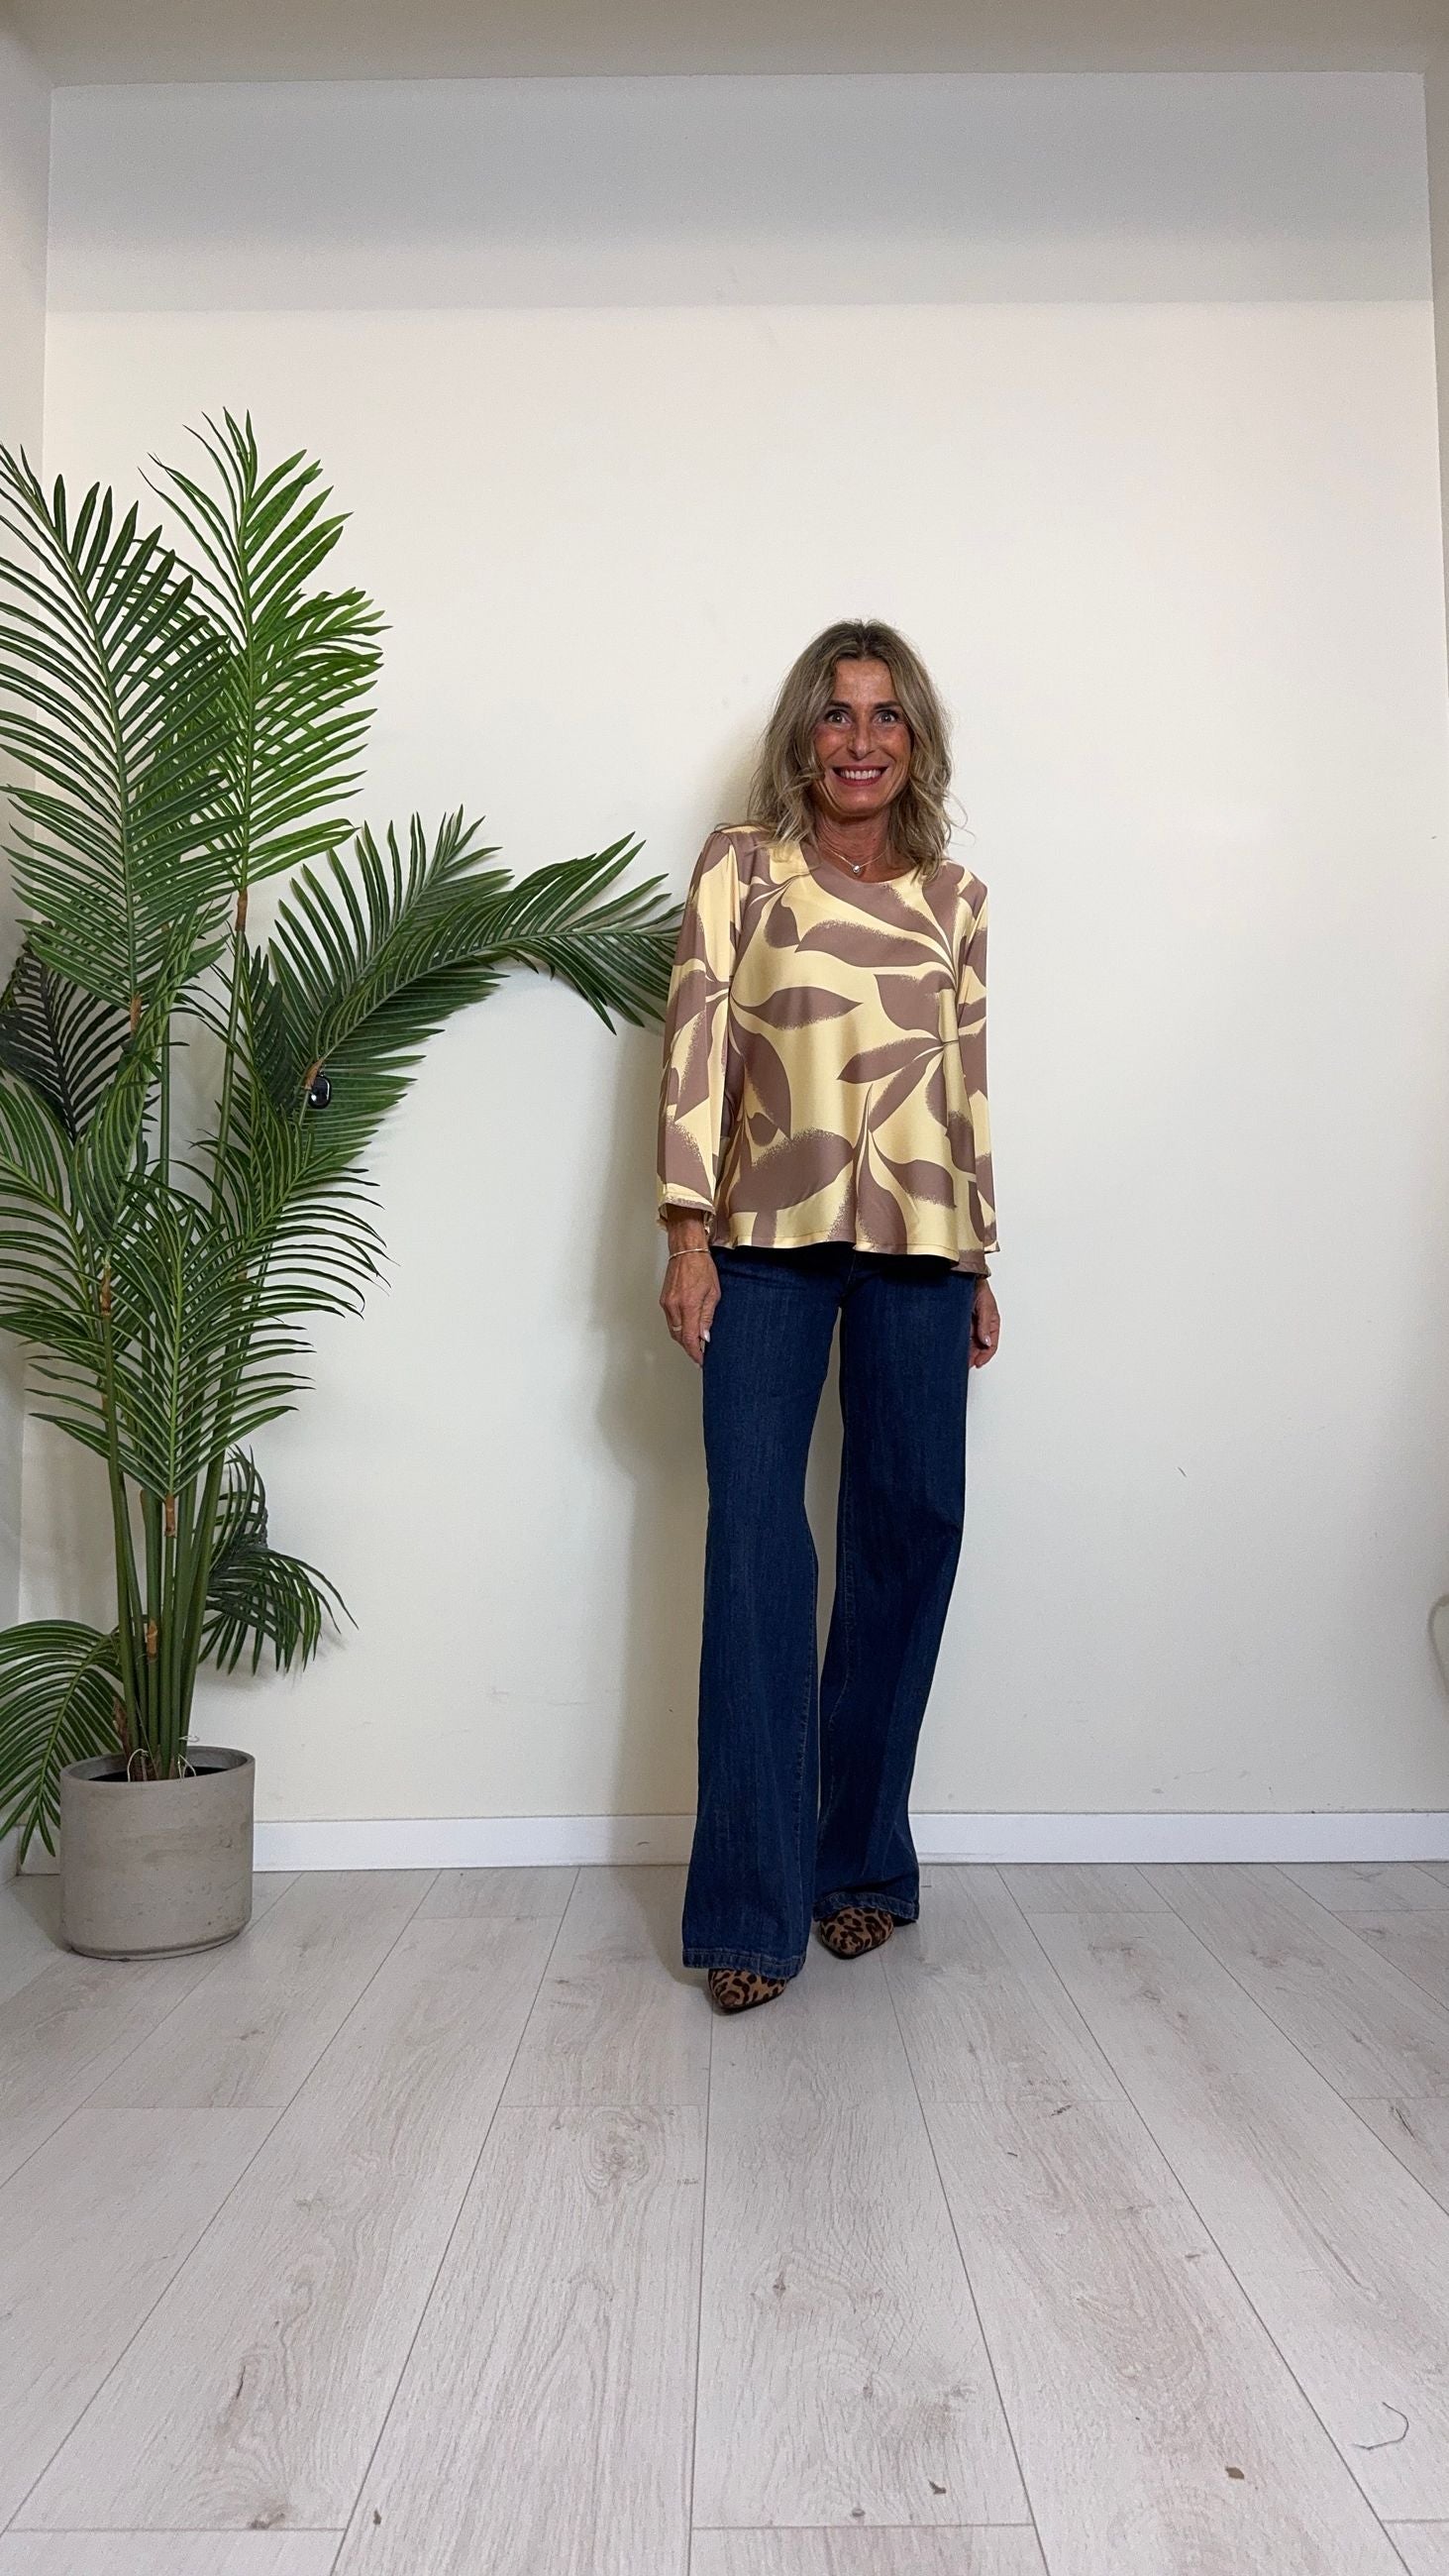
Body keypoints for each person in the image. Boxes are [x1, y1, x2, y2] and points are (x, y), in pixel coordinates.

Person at [657, 618, 999, 2015]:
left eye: (887, 715)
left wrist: (982, 1254)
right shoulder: (743, 869)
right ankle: (750, 1907)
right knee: (755, 1542)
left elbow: (966, 1084)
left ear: (917, 740)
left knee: (909, 1534)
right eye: (837, 713)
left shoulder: (957, 898)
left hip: (923, 1250)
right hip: (763, 1244)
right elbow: (696, 1046)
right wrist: (686, 1232)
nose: (861, 740)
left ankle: (860, 1863)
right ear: (803, 734)